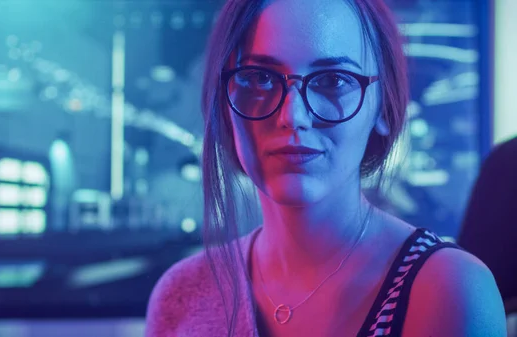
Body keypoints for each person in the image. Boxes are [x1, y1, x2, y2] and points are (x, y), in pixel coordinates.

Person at [146, 0, 507, 336]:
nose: (293, 116)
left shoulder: (448, 290)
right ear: (223, 104)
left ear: (383, 106)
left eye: (333, 80)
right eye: (259, 78)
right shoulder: (183, 295)